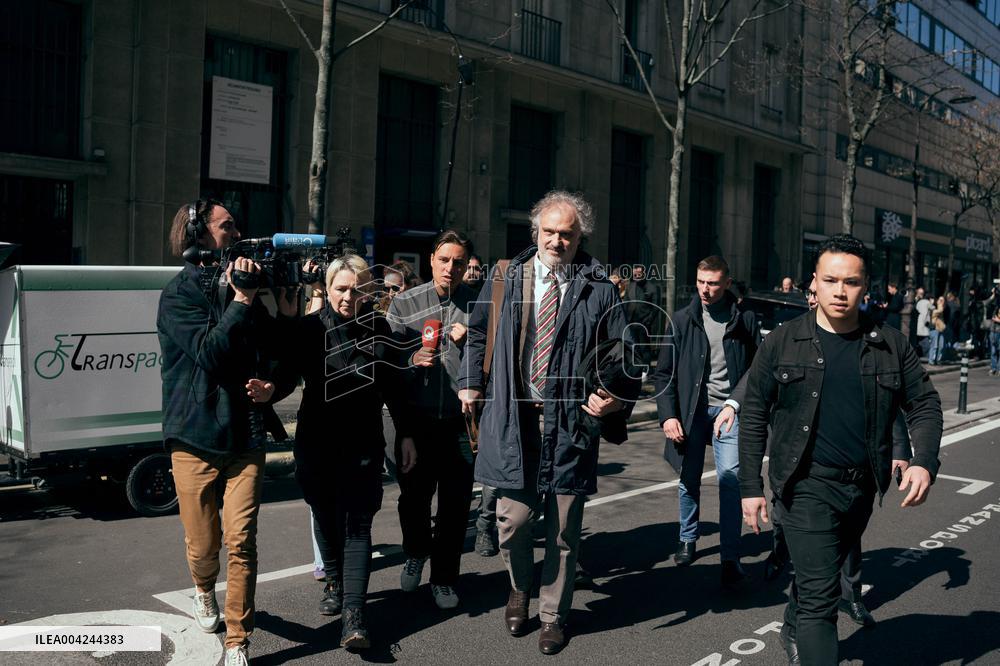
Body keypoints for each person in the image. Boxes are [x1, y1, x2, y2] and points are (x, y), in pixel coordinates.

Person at [739, 233, 942, 666]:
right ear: (815, 282)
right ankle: (806, 631)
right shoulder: (783, 341)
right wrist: (749, 486)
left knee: (823, 576)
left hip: (861, 487)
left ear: (865, 286)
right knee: (821, 598)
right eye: (830, 280)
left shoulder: (890, 344)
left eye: (850, 282)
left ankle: (791, 624)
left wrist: (924, 461)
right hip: (804, 485)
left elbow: (923, 403)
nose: (839, 291)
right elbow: (754, 411)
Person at [458, 190, 639, 655]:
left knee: (562, 531)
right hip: (514, 420)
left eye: (568, 234)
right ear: (535, 232)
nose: (558, 241)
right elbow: (477, 332)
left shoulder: (599, 287)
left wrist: (613, 398)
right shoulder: (505, 277)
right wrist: (469, 383)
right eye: (551, 232)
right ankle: (519, 587)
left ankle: (554, 615)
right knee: (512, 522)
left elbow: (622, 354)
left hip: (569, 424)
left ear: (580, 238)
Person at [158, 199, 290, 666]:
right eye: (225, 226)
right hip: (192, 437)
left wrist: (274, 384)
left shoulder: (247, 291)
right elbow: (210, 355)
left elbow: (280, 351)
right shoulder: (178, 295)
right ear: (197, 235)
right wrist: (241, 300)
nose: (235, 234)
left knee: (242, 540)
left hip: (245, 437)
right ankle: (201, 588)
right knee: (203, 545)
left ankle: (238, 639)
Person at [762, 277, 913, 629]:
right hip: (797, 462)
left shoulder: (870, 342)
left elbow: (888, 404)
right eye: (814, 293)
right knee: (801, 537)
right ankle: (786, 566)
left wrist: (902, 450)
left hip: (847, 466)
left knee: (844, 539)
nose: (820, 299)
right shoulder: (789, 338)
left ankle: (851, 596)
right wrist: (734, 406)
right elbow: (755, 385)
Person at [275, 254, 408, 649]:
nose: (349, 296)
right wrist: (269, 391)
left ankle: (355, 614)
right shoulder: (309, 329)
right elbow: (284, 375)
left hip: (363, 443)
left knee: (357, 525)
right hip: (317, 441)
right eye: (341, 288)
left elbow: (393, 387)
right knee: (323, 514)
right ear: (328, 289)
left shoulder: (379, 329)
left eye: (357, 288)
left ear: (368, 290)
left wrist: (407, 435)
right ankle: (333, 579)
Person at [653, 255, 758, 585]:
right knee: (689, 478)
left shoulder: (746, 319)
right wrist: (668, 416)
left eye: (712, 283)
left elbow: (757, 370)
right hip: (691, 412)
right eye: (700, 282)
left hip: (728, 412)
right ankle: (687, 538)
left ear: (727, 282)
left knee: (730, 480)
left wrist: (735, 403)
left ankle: (730, 556)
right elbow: (663, 373)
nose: (705, 289)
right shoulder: (683, 319)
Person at [386, 230, 477, 610]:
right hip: (417, 423)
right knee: (413, 501)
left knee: (455, 507)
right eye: (444, 260)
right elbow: (387, 366)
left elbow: (495, 357)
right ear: (431, 260)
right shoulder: (405, 304)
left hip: (460, 422)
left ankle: (443, 579)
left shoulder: (479, 303)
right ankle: (415, 551)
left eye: (459, 262)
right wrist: (410, 362)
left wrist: (471, 339)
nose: (450, 269)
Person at [928, 295, 948, 365]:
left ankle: (938, 360)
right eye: (940, 300)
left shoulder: (943, 310)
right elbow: (940, 310)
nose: (941, 302)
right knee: (934, 346)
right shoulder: (934, 310)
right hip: (935, 329)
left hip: (941, 330)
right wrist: (940, 304)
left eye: (942, 300)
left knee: (941, 346)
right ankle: (931, 360)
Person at [913, 287, 931, 357]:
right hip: (915, 325)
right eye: (919, 293)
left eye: (922, 294)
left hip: (921, 326)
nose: (921, 295)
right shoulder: (914, 301)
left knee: (924, 344)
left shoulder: (924, 302)